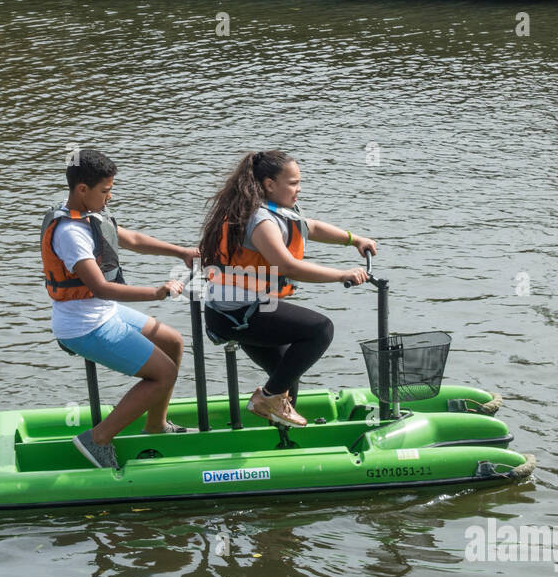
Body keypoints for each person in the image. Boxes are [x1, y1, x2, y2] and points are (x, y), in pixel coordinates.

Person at [42, 149, 199, 469]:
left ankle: (156, 424)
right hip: (83, 326)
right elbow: (101, 287)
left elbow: (130, 239)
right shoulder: (71, 233)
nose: (110, 197)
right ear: (81, 189)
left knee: (172, 342)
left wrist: (181, 251)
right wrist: (157, 292)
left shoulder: (86, 213)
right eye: (105, 190)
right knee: (163, 373)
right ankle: (98, 438)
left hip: (102, 312)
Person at [199, 150, 377, 428]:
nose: (299, 188)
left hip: (244, 309)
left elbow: (311, 227)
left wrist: (353, 239)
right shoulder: (261, 221)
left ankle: (279, 439)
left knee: (286, 377)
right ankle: (267, 399)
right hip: (238, 315)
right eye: (293, 182)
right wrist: (342, 274)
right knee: (321, 329)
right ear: (270, 184)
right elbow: (287, 266)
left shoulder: (274, 211)